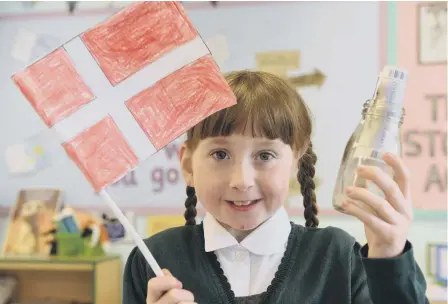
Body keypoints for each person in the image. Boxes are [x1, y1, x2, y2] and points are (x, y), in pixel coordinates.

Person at [123, 70, 428, 304]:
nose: (241, 181)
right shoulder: (153, 260)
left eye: (265, 155)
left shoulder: (340, 257)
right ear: (188, 164)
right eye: (220, 154)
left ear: (296, 159)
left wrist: (389, 258)